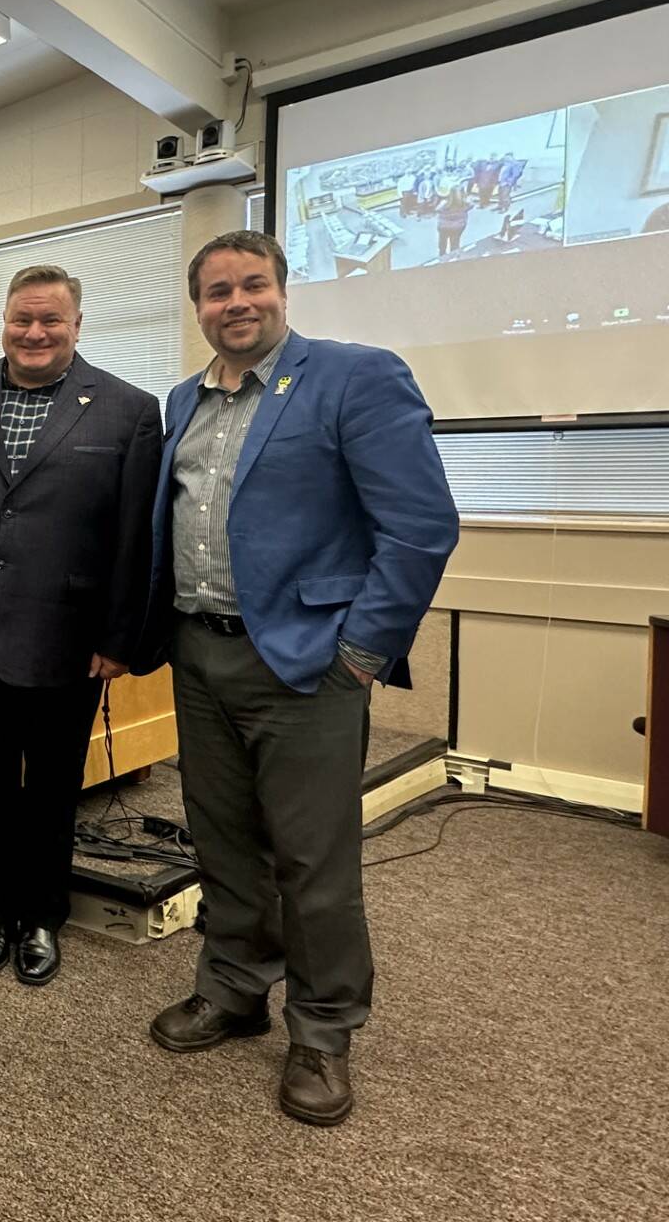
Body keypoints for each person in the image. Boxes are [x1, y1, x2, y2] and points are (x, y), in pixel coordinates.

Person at [142, 229, 458, 1127]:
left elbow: (421, 526)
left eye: (252, 286)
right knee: (224, 838)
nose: (235, 304)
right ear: (197, 306)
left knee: (313, 859)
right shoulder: (182, 400)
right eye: (216, 292)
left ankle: (322, 1031)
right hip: (200, 652)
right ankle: (235, 986)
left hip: (309, 662)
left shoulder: (356, 377)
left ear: (282, 289)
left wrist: (361, 651)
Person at [0, 264, 160, 986]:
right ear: (5, 321)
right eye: (22, 319)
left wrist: (120, 638)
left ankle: (44, 915)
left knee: (52, 788)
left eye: (51, 320)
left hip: (69, 638)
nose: (35, 333)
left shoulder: (128, 409)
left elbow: (133, 539)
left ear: (78, 325)